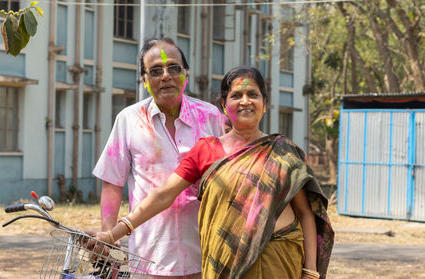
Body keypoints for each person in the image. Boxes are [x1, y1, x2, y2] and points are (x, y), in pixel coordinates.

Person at [91, 66, 334, 279]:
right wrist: (113, 234)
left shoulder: (283, 153)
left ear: (264, 104)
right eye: (236, 95)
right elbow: (163, 195)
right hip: (225, 263)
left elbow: (305, 213)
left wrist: (310, 272)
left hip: (280, 261)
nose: (245, 101)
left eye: (253, 95)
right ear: (224, 105)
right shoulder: (206, 150)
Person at [92, 37, 225, 278]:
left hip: (205, 255)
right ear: (144, 79)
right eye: (155, 71)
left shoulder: (211, 117)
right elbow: (112, 183)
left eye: (174, 67)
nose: (166, 76)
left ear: (186, 73)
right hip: (148, 258)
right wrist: (108, 238)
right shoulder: (129, 120)